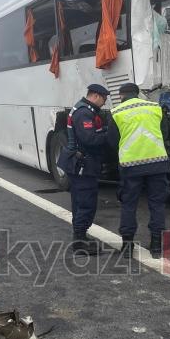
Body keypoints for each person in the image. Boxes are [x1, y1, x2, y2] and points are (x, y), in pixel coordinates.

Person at [109, 82, 169, 258]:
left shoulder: (117, 112)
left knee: (129, 204)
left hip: (130, 166)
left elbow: (112, 140)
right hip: (157, 163)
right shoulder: (155, 108)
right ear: (137, 94)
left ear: (121, 95)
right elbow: (164, 134)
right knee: (157, 204)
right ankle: (156, 246)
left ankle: (127, 246)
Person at [57, 84, 110, 254]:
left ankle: (80, 236)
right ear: (95, 96)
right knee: (86, 202)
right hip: (82, 165)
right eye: (104, 98)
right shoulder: (84, 113)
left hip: (79, 163)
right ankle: (79, 242)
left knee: (80, 202)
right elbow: (90, 139)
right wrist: (110, 134)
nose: (105, 102)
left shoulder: (84, 109)